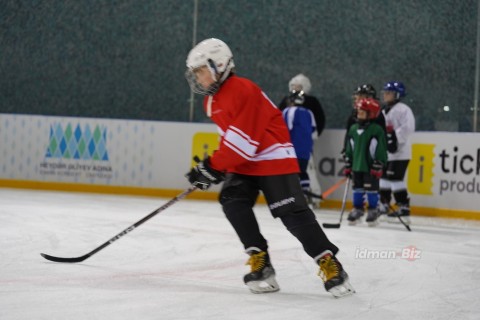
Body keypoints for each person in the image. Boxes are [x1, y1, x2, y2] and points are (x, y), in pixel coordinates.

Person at [184, 38, 354, 297]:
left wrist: (212, 166)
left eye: (201, 71)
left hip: (273, 156)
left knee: (292, 214)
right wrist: (212, 168)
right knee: (232, 200)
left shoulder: (243, 90)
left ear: (218, 65)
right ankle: (260, 261)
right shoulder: (212, 101)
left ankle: (330, 264)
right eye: (196, 73)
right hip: (246, 160)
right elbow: (232, 141)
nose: (198, 78)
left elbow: (242, 143)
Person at [344, 98, 388, 226]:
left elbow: (381, 148)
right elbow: (349, 147)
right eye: (358, 112)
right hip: (357, 166)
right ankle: (357, 209)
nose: (359, 114)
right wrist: (348, 161)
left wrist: (379, 162)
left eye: (362, 112)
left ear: (371, 114)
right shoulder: (352, 129)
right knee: (357, 188)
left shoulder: (376, 130)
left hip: (370, 167)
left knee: (371, 189)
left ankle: (373, 209)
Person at [379, 81, 415, 224]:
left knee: (395, 179)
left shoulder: (403, 109)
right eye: (385, 92)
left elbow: (408, 128)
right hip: (387, 153)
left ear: (397, 94)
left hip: (401, 153)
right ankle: (384, 204)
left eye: (389, 93)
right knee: (383, 178)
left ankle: (403, 207)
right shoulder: (383, 111)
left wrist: (394, 138)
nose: (385, 95)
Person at [281, 90, 317, 194]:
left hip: (291, 150)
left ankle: (289, 195)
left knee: (289, 173)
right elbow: (313, 130)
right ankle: (305, 193)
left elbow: (283, 129)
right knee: (302, 172)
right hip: (305, 150)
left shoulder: (288, 111)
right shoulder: (309, 113)